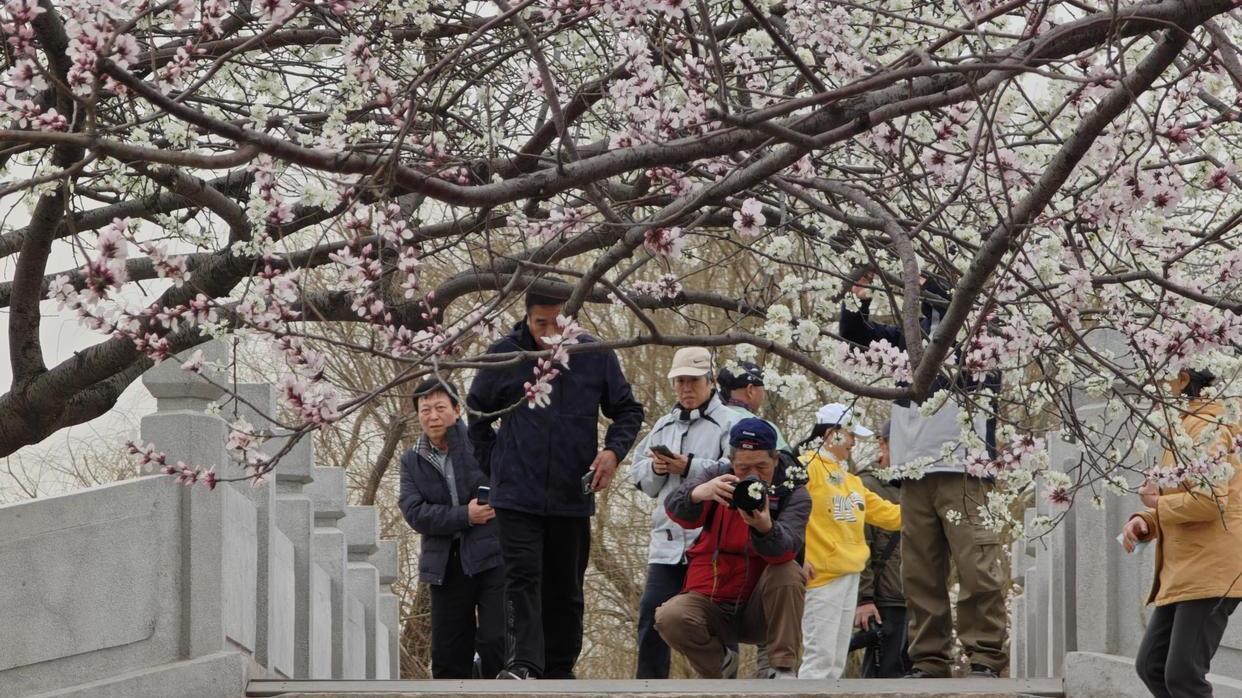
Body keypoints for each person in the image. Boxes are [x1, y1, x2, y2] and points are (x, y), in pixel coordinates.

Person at [467, 287, 645, 680]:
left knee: (566, 587)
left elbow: (628, 410)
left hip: (571, 493)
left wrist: (612, 453)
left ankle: (560, 668)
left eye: (556, 322)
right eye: (539, 323)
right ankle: (524, 665)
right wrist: (499, 469)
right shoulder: (504, 354)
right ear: (526, 317)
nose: (548, 333)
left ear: (571, 317)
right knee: (523, 577)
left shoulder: (593, 354)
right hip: (516, 495)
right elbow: (476, 419)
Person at [840, 271, 1006, 679]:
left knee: (976, 567)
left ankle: (984, 654)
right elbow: (859, 335)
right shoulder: (905, 340)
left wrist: (942, 296)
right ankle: (929, 658)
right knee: (919, 572)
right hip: (913, 471)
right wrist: (857, 296)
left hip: (963, 469)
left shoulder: (983, 336)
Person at [654, 418, 811, 679]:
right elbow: (675, 509)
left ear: (775, 459)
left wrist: (765, 528)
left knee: (788, 571)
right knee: (669, 616)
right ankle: (719, 665)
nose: (753, 475)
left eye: (762, 466)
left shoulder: (794, 493)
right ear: (731, 462)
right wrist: (697, 493)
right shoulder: (718, 476)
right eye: (743, 467)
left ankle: (782, 667)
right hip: (712, 599)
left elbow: (786, 549)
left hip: (760, 607)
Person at [1121, 368, 1242, 698]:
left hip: (1212, 569)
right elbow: (1179, 498)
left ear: (1185, 379)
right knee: (1153, 667)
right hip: (1187, 569)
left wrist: (1156, 505)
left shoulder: (1211, 425)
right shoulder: (1184, 425)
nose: (1152, 382)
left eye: (1162, 373)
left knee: (1184, 676)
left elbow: (1208, 502)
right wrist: (1147, 520)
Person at [629, 347, 740, 679]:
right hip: (666, 544)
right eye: (679, 382)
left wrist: (689, 466)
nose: (685, 389)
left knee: (717, 622)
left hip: (711, 544)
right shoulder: (663, 426)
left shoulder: (733, 423)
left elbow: (739, 470)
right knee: (651, 617)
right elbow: (638, 477)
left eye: (692, 381)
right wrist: (658, 468)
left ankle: (723, 686)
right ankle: (647, 688)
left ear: (710, 381)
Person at [399, 379, 505, 679]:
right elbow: (415, 513)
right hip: (445, 563)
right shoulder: (411, 461)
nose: (432, 416)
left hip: (492, 555)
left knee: (496, 641)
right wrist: (465, 515)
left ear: (457, 410)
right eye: (425, 409)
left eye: (440, 408)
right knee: (448, 653)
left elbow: (505, 484)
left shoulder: (481, 442)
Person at [797, 404, 902, 679]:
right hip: (822, 574)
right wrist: (797, 556)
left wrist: (931, 508)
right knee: (819, 658)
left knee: (834, 662)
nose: (854, 441)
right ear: (831, 433)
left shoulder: (851, 480)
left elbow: (890, 515)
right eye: (850, 434)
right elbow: (786, 513)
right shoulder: (805, 468)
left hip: (850, 574)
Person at [855, 419, 913, 678]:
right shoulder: (866, 484)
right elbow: (860, 544)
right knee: (883, 677)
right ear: (883, 444)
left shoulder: (919, 483)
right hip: (885, 600)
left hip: (919, 600)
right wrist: (865, 598)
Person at [718, 361, 791, 451]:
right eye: (763, 390)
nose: (763, 396)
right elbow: (787, 462)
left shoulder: (710, 420)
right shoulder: (765, 428)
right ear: (750, 390)